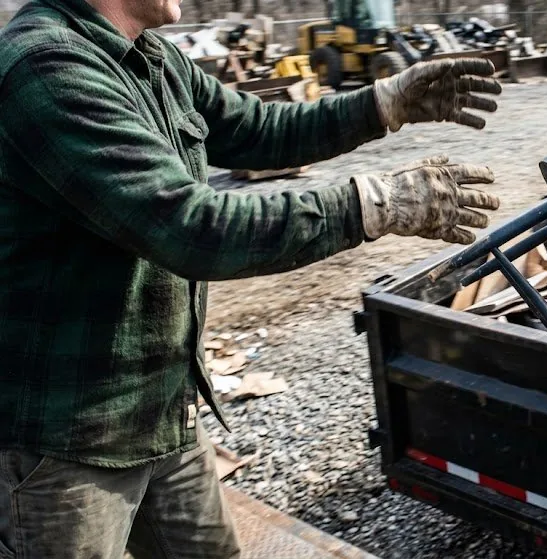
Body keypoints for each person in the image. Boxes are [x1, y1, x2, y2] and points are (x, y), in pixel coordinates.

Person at [0, 0, 504, 555]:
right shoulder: (46, 69)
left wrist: (383, 103)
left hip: (161, 413)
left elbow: (257, 129)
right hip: (65, 441)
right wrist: (372, 205)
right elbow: (192, 228)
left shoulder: (151, 57)